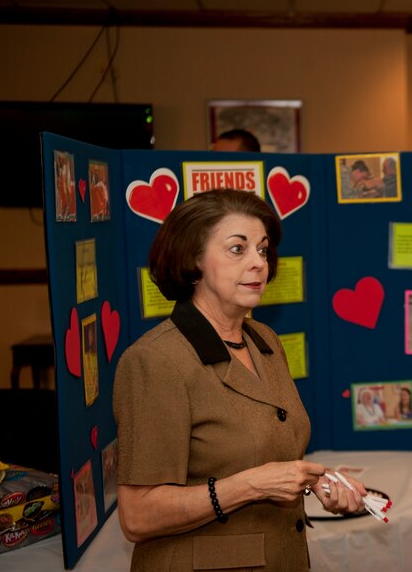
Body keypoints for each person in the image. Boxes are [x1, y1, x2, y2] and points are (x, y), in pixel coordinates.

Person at [113, 189, 365, 572]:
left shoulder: (264, 339)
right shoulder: (156, 360)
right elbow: (138, 516)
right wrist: (252, 485)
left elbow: (263, 452)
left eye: (262, 250)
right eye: (237, 249)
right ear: (194, 259)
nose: (258, 263)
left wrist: (315, 480)